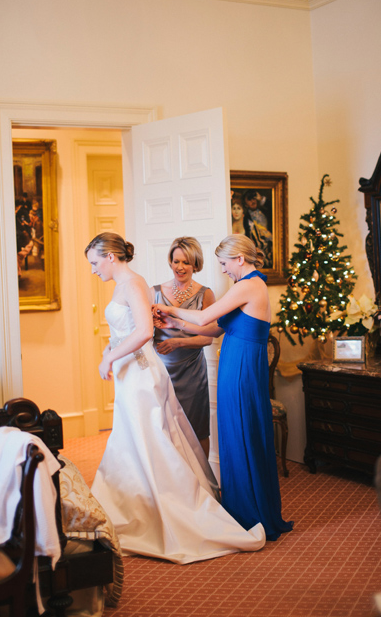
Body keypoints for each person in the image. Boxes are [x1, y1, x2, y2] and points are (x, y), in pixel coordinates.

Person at [84, 232, 266, 564]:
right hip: (134, 373)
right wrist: (110, 348)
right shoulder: (129, 285)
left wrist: (110, 358)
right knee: (136, 442)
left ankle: (171, 509)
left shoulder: (138, 284)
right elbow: (130, 329)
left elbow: (153, 331)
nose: (94, 269)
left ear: (110, 256)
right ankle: (135, 505)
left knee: (158, 441)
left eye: (95, 262)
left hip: (151, 371)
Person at [153, 234, 293, 540]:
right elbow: (216, 327)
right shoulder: (248, 285)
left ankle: (249, 512)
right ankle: (246, 505)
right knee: (236, 431)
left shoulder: (248, 285)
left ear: (239, 259)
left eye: (224, 263)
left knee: (240, 431)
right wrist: (174, 325)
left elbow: (204, 315)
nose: (223, 269)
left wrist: (168, 309)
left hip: (241, 367)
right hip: (237, 362)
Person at [152, 237, 216, 456]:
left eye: (186, 262)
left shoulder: (205, 294)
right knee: (164, 429)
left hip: (192, 373)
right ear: (170, 262)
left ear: (195, 264)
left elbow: (208, 338)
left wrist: (178, 341)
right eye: (176, 261)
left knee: (197, 430)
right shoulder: (155, 292)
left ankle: (205, 484)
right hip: (162, 370)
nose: (180, 267)